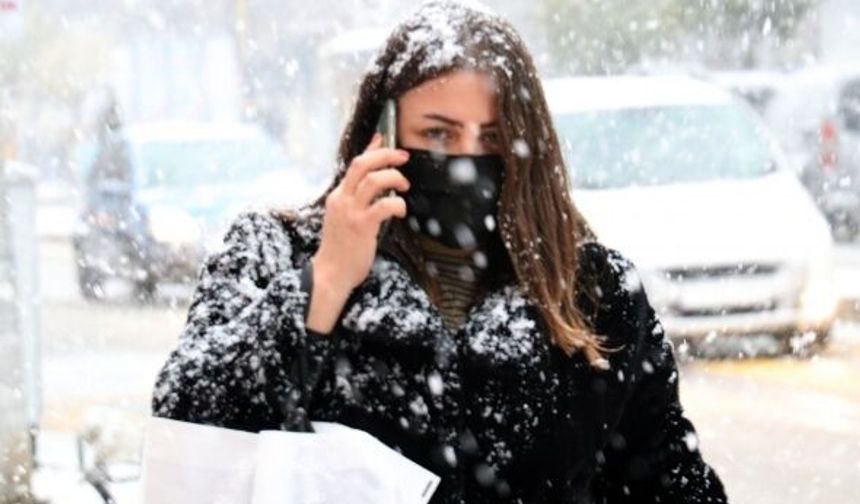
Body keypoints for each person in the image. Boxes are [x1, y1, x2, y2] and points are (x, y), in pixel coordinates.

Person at [151, 1, 728, 502]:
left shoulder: (593, 293)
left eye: (494, 139)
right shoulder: (274, 252)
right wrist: (324, 282)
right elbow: (192, 424)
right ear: (381, 131)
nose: (466, 161)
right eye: (438, 134)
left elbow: (666, 478)